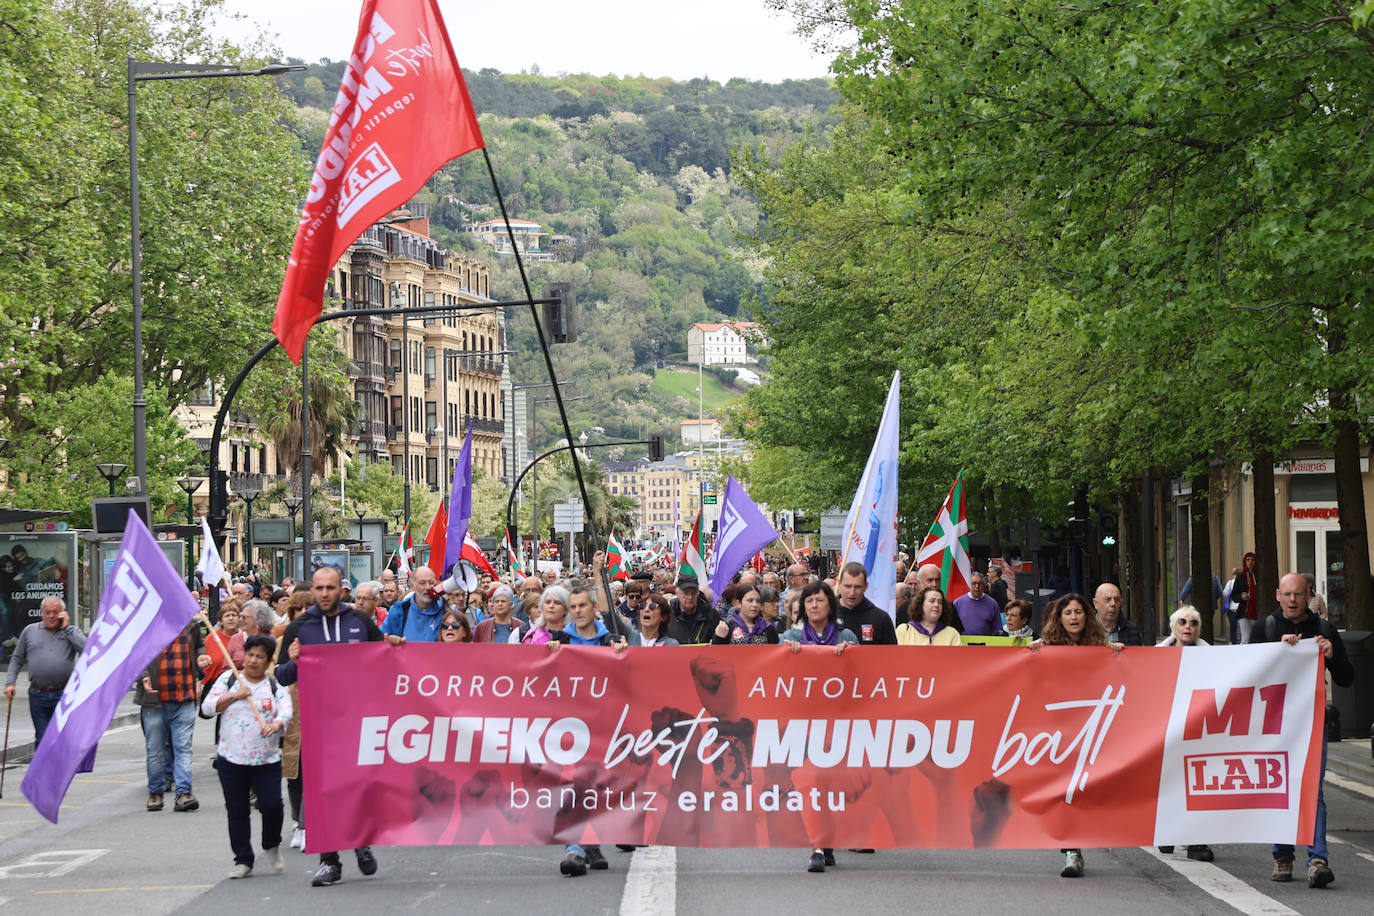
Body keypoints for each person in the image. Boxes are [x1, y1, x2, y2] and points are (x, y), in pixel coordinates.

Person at [276, 566, 402, 887]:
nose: (325, 594)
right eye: (319, 588)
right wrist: (293, 661)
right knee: (323, 793)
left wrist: (395, 644)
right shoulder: (300, 627)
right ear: (313, 591)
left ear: (341, 590)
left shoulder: (359, 621)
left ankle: (360, 842)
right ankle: (329, 861)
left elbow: (384, 658)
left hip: (359, 720)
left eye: (331, 587)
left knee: (360, 788)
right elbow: (282, 676)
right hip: (319, 724)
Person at [1248, 572, 1354, 888]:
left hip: (1311, 723)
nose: (1292, 600)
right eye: (1287, 594)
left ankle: (1317, 859)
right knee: (1281, 788)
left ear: (1308, 595)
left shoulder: (1323, 629)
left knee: (1311, 789)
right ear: (1277, 595)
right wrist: (1275, 652)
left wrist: (1331, 655)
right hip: (1274, 726)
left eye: (1298, 594)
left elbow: (1348, 678)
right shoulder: (1264, 629)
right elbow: (1244, 674)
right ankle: (1282, 855)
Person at [1030, 593, 1121, 879]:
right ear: (1059, 618)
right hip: (1057, 730)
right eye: (1067, 612)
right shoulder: (1046, 647)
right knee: (1064, 790)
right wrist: (1031, 655)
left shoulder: (1099, 647)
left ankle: (1076, 845)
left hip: (1090, 728)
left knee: (1082, 789)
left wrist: (1118, 655)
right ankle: (1072, 850)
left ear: (1086, 616)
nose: (1073, 617)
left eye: (1078, 612)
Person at [202, 633, 292, 879]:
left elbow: (286, 711)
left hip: (267, 759)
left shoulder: (275, 685)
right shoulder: (229, 679)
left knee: (272, 805)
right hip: (231, 758)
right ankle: (243, 859)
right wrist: (233, 696)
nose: (253, 660)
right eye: (250, 654)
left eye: (259, 656)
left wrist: (276, 725)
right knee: (237, 809)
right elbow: (207, 708)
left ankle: (271, 844)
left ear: (268, 660)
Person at [779, 580, 854, 872]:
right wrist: (787, 656)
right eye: (809, 601)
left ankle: (829, 836)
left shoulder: (845, 634)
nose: (814, 605)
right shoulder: (790, 635)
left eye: (819, 600)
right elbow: (776, 676)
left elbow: (864, 676)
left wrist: (851, 655)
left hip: (839, 723)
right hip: (804, 723)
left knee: (832, 784)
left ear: (829, 604)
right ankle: (817, 847)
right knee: (812, 783)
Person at [137, 619, 211, 813]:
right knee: (155, 750)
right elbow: (136, 653)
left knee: (183, 748)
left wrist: (201, 657)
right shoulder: (146, 622)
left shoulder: (191, 624)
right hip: (155, 699)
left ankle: (184, 794)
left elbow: (199, 646)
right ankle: (155, 793)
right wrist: (144, 674)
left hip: (183, 697)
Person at [4, 596, 86, 743]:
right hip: (38, 694)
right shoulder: (30, 631)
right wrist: (10, 683)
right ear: (42, 613)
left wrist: (66, 628)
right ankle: (45, 767)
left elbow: (87, 650)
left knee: (63, 738)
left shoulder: (72, 632)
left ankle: (62, 766)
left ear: (63, 613)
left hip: (64, 694)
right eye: (47, 612)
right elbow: (17, 658)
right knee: (42, 739)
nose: (51, 616)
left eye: (55, 612)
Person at [832, 562, 897, 645]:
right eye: (848, 586)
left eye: (857, 587)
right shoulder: (827, 615)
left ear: (866, 586)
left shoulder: (881, 618)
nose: (852, 592)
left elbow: (891, 654)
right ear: (839, 584)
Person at [380, 566, 444, 642]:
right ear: (413, 585)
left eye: (431, 583)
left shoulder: (444, 610)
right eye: (422, 583)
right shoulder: (399, 610)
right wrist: (391, 640)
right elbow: (380, 640)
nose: (427, 587)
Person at [712, 583, 779, 644]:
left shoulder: (768, 628)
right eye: (750, 600)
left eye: (758, 601)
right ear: (739, 603)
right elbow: (717, 654)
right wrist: (719, 638)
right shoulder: (728, 628)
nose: (755, 604)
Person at [896, 587, 962, 646]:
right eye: (932, 601)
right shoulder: (904, 631)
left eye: (940, 602)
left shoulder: (952, 633)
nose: (936, 605)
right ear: (921, 604)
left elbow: (958, 658)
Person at [667, 576, 717, 645]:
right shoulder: (667, 614)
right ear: (677, 593)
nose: (690, 597)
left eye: (694, 593)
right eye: (686, 593)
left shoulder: (710, 613)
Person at [953, 572, 1003, 636]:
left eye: (980, 583)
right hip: (963, 643)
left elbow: (997, 629)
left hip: (985, 643)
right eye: (974, 583)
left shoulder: (992, 604)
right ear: (970, 584)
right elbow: (952, 628)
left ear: (984, 585)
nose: (977, 586)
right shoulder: (958, 603)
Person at [1230, 552, 1259, 643]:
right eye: (1248, 560)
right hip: (1244, 612)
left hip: (1257, 612)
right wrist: (1241, 597)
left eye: (1252, 560)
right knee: (1246, 638)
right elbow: (1233, 596)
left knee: (1255, 639)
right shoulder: (1240, 577)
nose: (1250, 562)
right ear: (1244, 561)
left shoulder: (1259, 576)